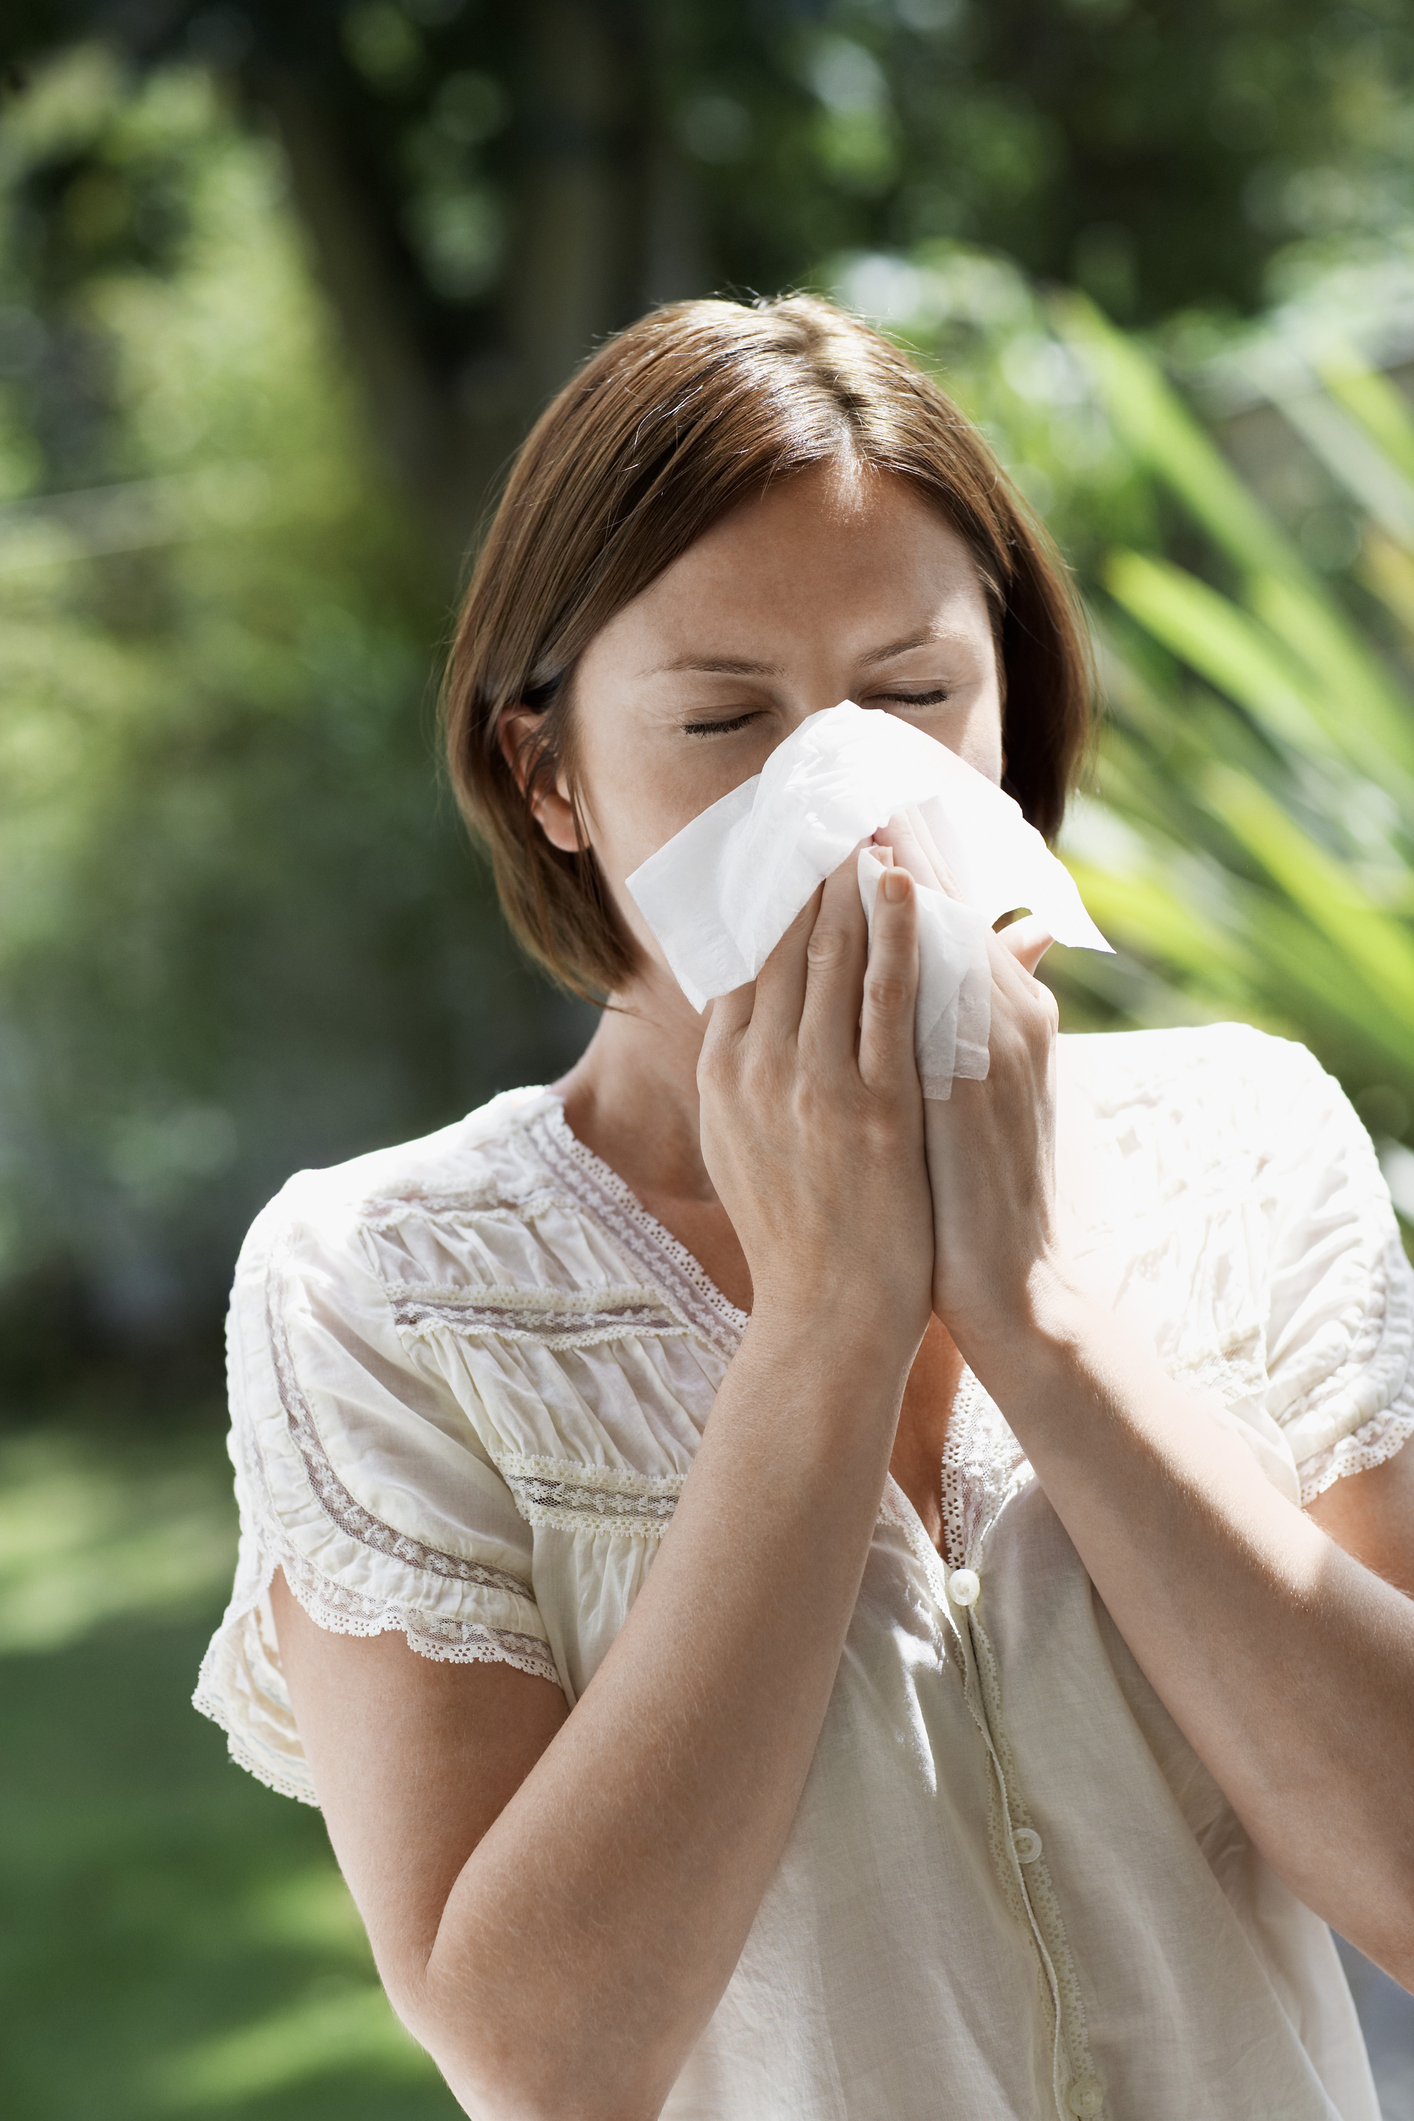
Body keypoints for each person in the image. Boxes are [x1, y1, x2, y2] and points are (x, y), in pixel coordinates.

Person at [195, 296, 1414, 2121]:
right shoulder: (380, 1287)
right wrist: (829, 1324)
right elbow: (542, 2057)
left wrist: (1041, 1319)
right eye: (721, 717)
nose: (846, 800)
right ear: (550, 778)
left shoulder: (1240, 1136)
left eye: (914, 698)